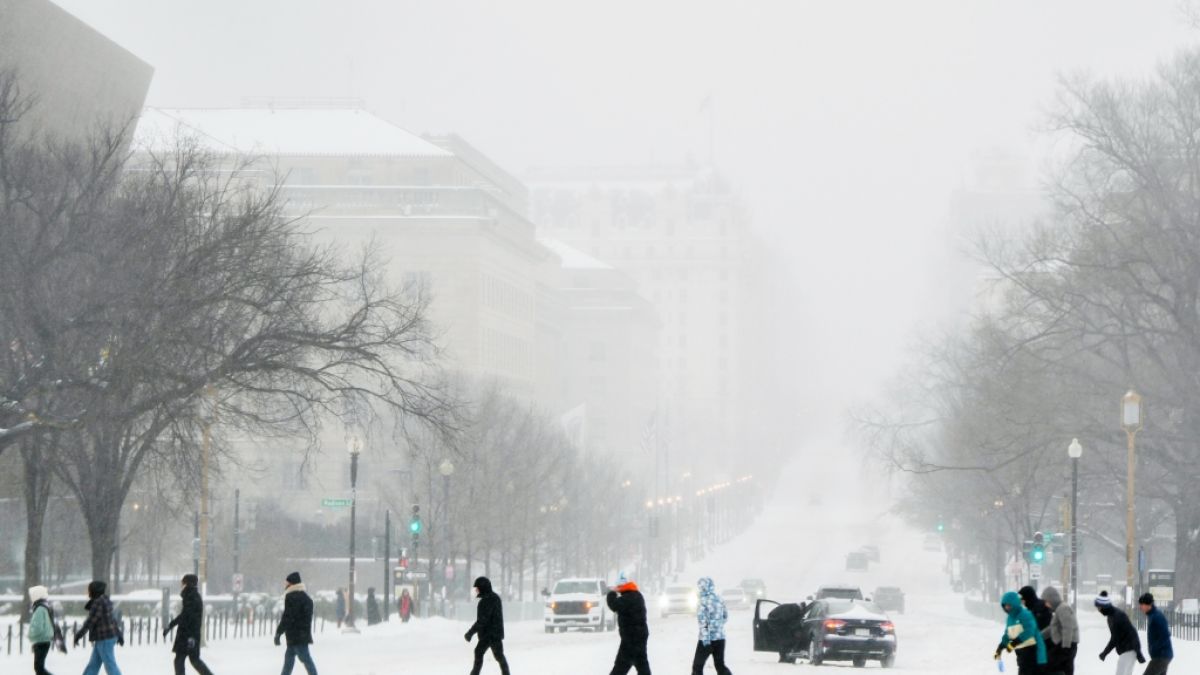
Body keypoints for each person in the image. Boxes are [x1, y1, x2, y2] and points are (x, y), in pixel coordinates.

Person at [163, 574, 215, 675]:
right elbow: (185, 615)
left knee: (184, 660)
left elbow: (188, 617)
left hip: (187, 635)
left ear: (188, 584)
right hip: (188, 635)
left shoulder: (192, 597)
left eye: (183, 583)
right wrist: (170, 626)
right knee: (188, 660)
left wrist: (190, 636)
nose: (181, 585)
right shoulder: (190, 596)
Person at [73, 580, 124, 675]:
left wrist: (79, 635)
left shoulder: (98, 603)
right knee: (93, 665)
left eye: (89, 590)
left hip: (105, 638)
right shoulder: (105, 601)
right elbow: (112, 620)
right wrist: (119, 635)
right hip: (104, 638)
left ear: (94, 591)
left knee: (110, 665)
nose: (88, 592)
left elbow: (90, 621)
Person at [607, 572, 651, 675]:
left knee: (621, 666)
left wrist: (611, 593)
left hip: (631, 638)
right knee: (641, 664)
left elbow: (613, 605)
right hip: (639, 636)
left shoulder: (627, 598)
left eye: (618, 587)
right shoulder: (637, 595)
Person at [464, 576, 510, 675]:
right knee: (498, 656)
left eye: (477, 588)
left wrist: (470, 633)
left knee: (481, 653)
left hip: (489, 635)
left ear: (483, 588)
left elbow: (482, 620)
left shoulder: (487, 601)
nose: (476, 590)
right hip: (494, 634)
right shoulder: (494, 598)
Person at [274, 572, 318, 675]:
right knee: (289, 661)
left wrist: (279, 632)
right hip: (301, 635)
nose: (285, 585)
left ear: (291, 584)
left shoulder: (291, 597)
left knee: (305, 659)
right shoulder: (306, 598)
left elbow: (287, 617)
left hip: (295, 637)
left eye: (287, 583)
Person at [995, 590, 1047, 675]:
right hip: (1021, 654)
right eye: (1005, 606)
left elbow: (1030, 630)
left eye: (1008, 605)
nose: (1006, 608)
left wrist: (1015, 642)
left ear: (1014, 604)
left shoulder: (1025, 614)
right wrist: (1000, 647)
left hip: (1032, 652)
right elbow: (1008, 634)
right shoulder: (1010, 618)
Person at [1095, 591, 1144, 675]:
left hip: (1128, 650)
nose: (1099, 610)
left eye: (1099, 608)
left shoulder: (1116, 616)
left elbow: (1116, 638)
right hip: (1129, 650)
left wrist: (1105, 653)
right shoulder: (1113, 616)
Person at [692, 577, 732, 675]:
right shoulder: (719, 599)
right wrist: (717, 624)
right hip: (720, 638)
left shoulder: (702, 602)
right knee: (720, 665)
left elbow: (703, 623)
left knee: (697, 666)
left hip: (706, 639)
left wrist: (706, 641)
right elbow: (725, 617)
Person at [1040, 586, 1079, 675]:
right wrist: (1039, 636)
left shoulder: (1063, 608)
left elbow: (1068, 628)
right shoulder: (1059, 610)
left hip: (1066, 646)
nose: (1046, 605)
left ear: (1052, 599)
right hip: (1065, 645)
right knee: (1065, 669)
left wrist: (1065, 647)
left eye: (1046, 602)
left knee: (1049, 666)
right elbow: (1052, 628)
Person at [28, 585, 65, 675]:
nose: (31, 597)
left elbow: (38, 626)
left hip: (41, 640)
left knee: (39, 668)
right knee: (39, 667)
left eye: (32, 595)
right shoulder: (45, 606)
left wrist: (31, 635)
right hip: (45, 640)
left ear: (36, 595)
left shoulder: (39, 608)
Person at [1138, 593, 1172, 675]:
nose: (1140, 607)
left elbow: (1166, 634)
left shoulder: (1156, 617)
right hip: (1162, 656)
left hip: (1161, 656)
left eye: (1142, 604)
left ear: (1148, 605)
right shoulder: (1152, 615)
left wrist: (1154, 648)